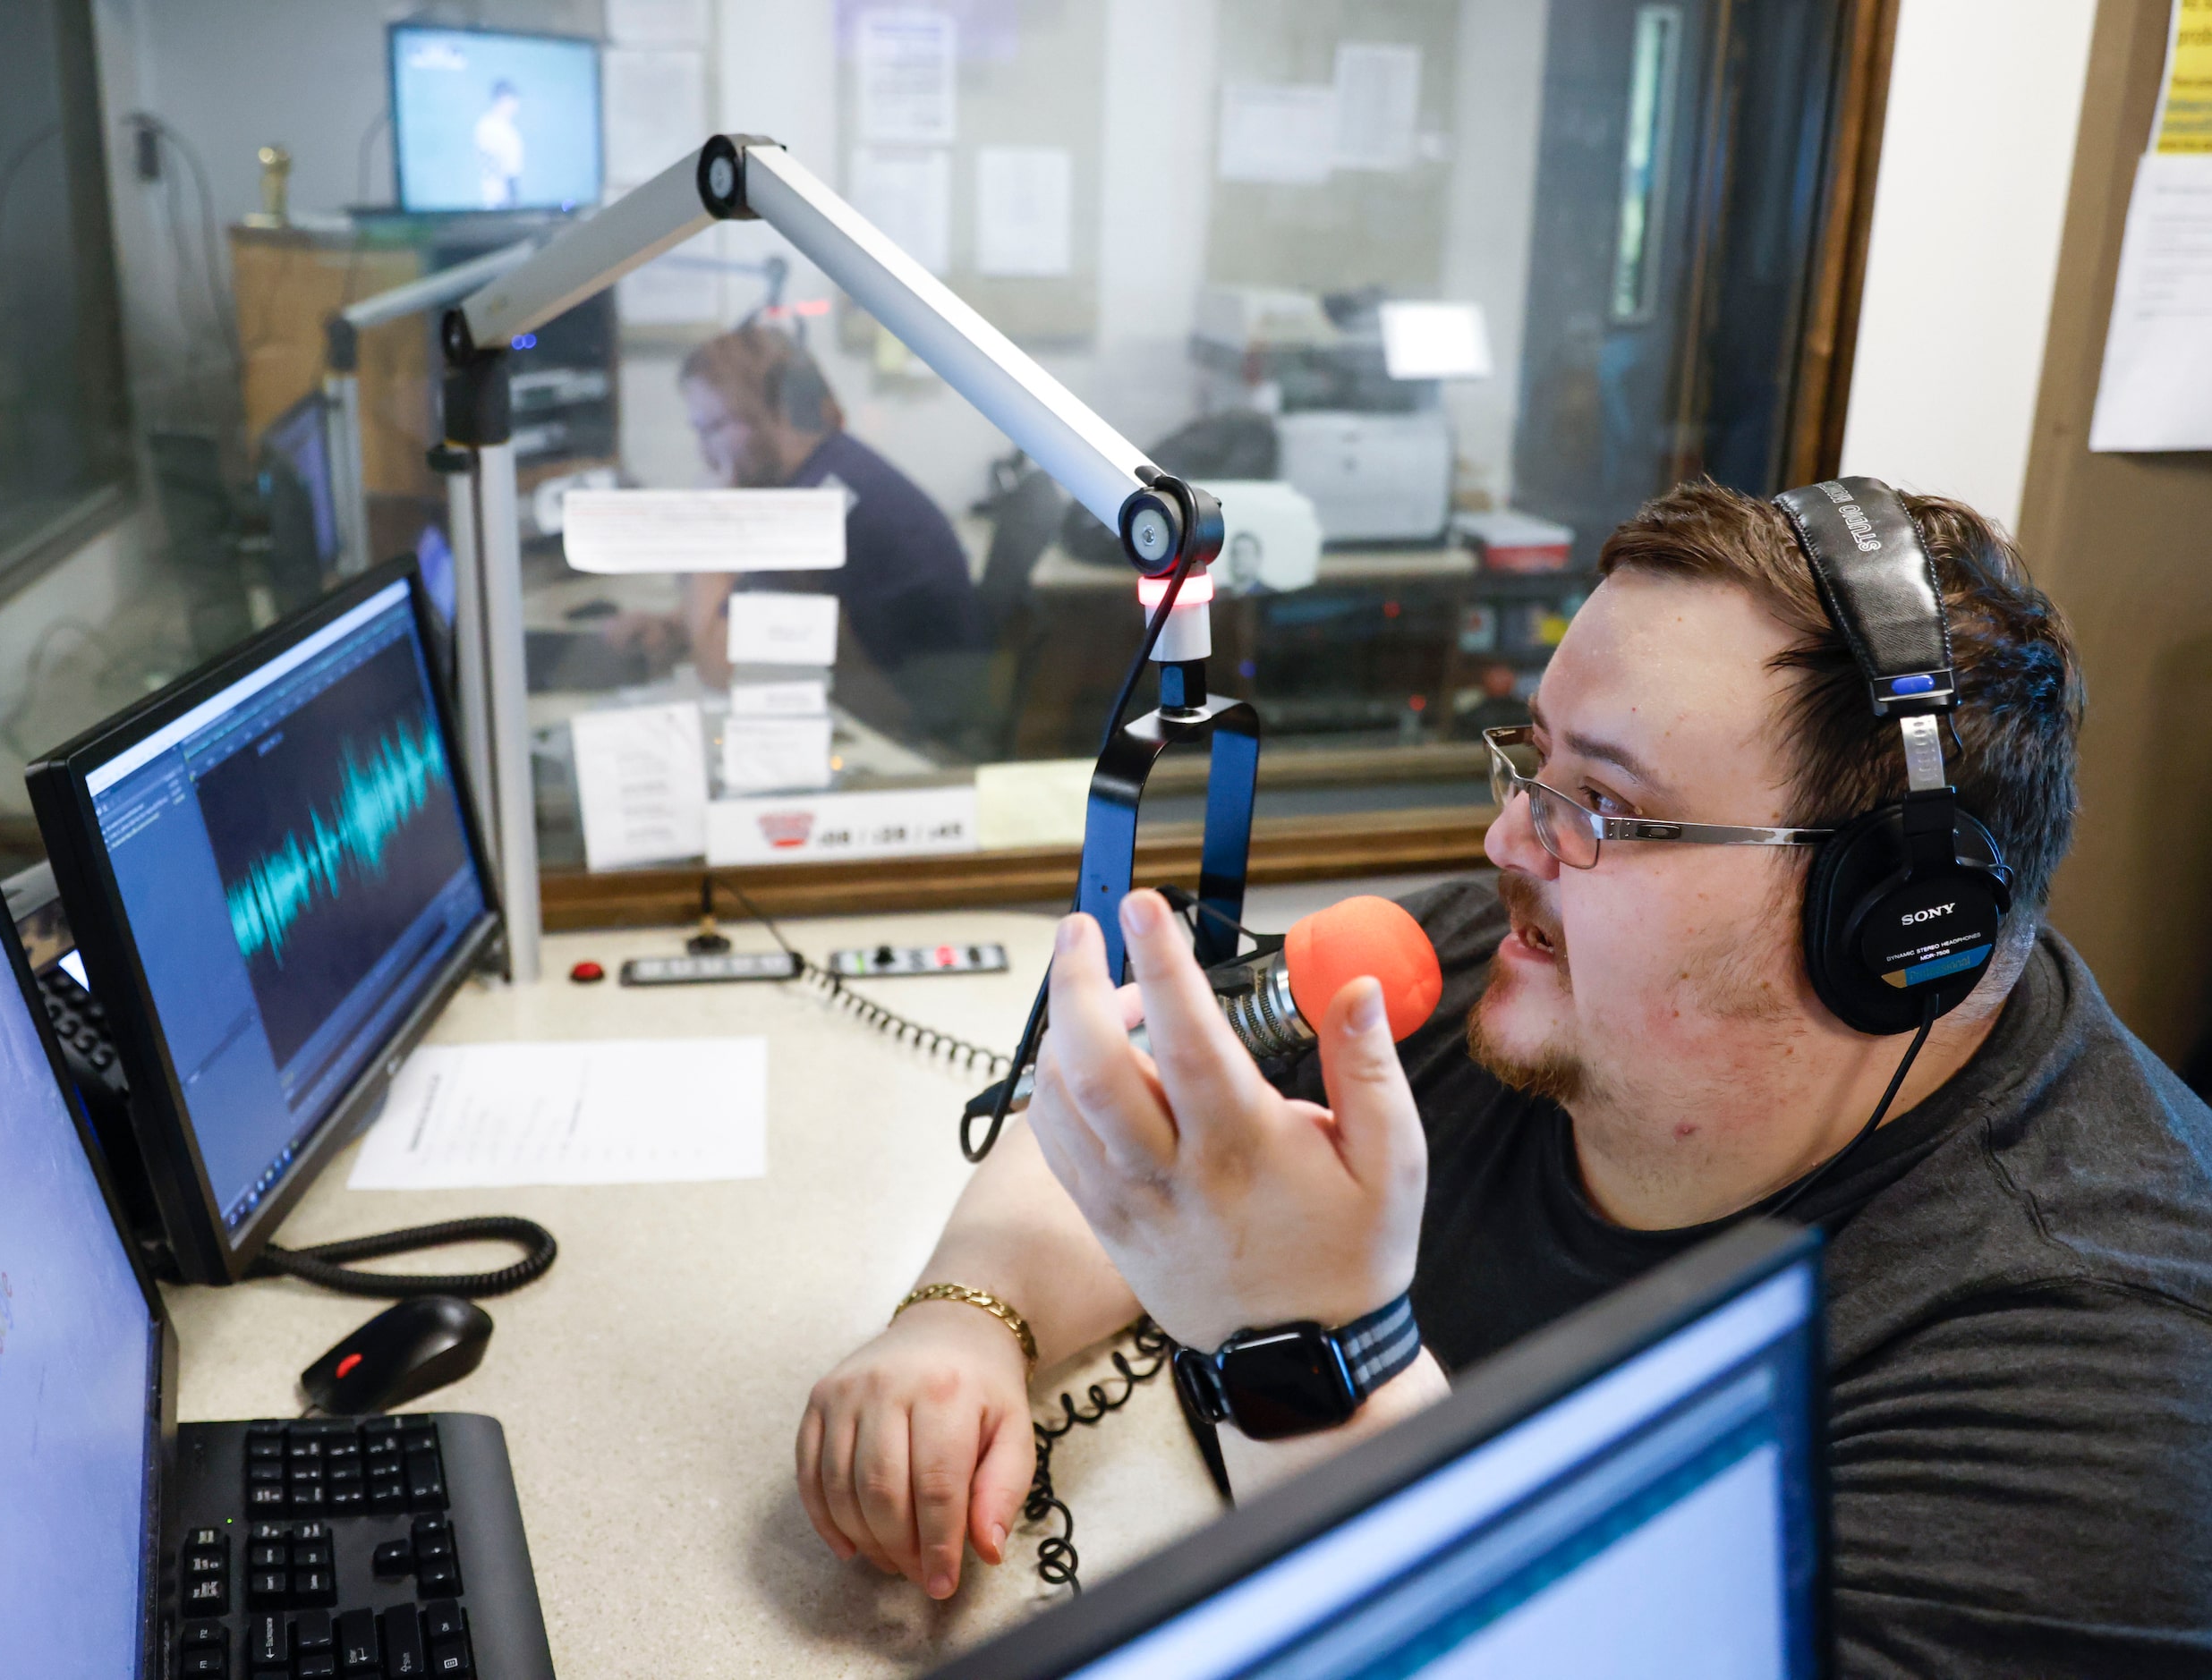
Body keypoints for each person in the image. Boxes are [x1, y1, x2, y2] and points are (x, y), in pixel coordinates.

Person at [795, 479, 2212, 1676]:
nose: (1510, 844)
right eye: (1532, 763)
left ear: (1899, 926)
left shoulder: (2101, 1386)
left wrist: (1320, 1357)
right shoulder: (1521, 960)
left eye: (1599, 799)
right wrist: (969, 1313)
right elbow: (1155, 1109)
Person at [616, 326, 990, 747]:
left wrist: (713, 522)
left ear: (773, 413)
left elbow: (722, 669)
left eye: (715, 428)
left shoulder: (822, 509)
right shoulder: (831, 472)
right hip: (886, 714)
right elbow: (755, 611)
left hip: (911, 742)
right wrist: (676, 626)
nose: (704, 453)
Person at [474, 81, 523, 209]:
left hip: (491, 199)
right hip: (499, 202)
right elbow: (510, 174)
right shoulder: (502, 131)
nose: (516, 105)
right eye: (513, 100)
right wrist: (515, 207)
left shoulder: (484, 124)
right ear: (503, 99)